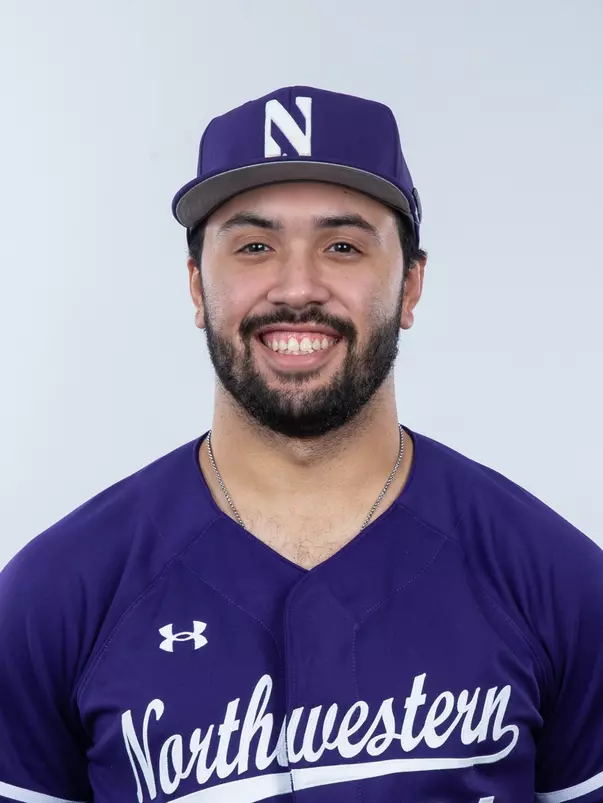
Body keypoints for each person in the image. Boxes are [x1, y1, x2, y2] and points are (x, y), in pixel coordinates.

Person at [0, 85, 601, 803]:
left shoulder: (558, 583)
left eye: (342, 246)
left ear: (410, 285)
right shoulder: (54, 597)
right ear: (196, 285)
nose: (297, 286)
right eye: (254, 245)